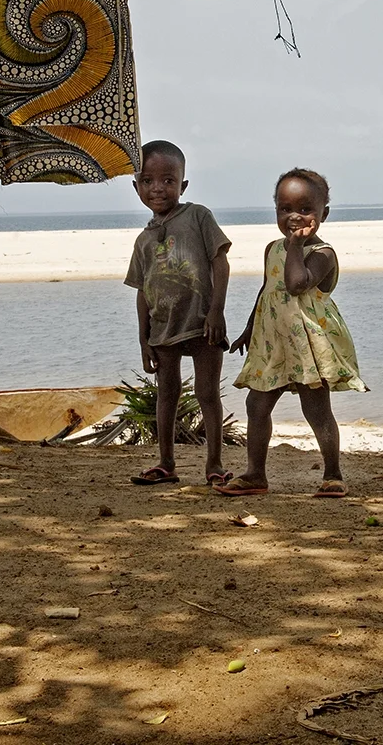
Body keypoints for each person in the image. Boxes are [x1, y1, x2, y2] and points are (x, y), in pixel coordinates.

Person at [216, 168, 366, 497]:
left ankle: (333, 473)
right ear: (276, 211)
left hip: (307, 345)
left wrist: (296, 246)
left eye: (305, 210)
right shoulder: (272, 248)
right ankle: (256, 473)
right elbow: (267, 290)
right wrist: (249, 328)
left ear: (323, 213)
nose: (294, 217)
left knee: (315, 409)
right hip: (273, 343)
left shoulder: (322, 254)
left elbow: (296, 284)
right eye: (285, 210)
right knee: (256, 405)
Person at [124, 140, 233, 486]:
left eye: (168, 181)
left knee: (207, 394)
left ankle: (214, 464)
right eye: (148, 180)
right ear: (137, 185)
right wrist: (144, 339)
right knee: (166, 394)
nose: (158, 188)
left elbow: (220, 261)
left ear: (182, 185)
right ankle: (166, 463)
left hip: (202, 325)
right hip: (163, 328)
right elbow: (143, 290)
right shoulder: (143, 240)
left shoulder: (198, 216)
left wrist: (216, 310)